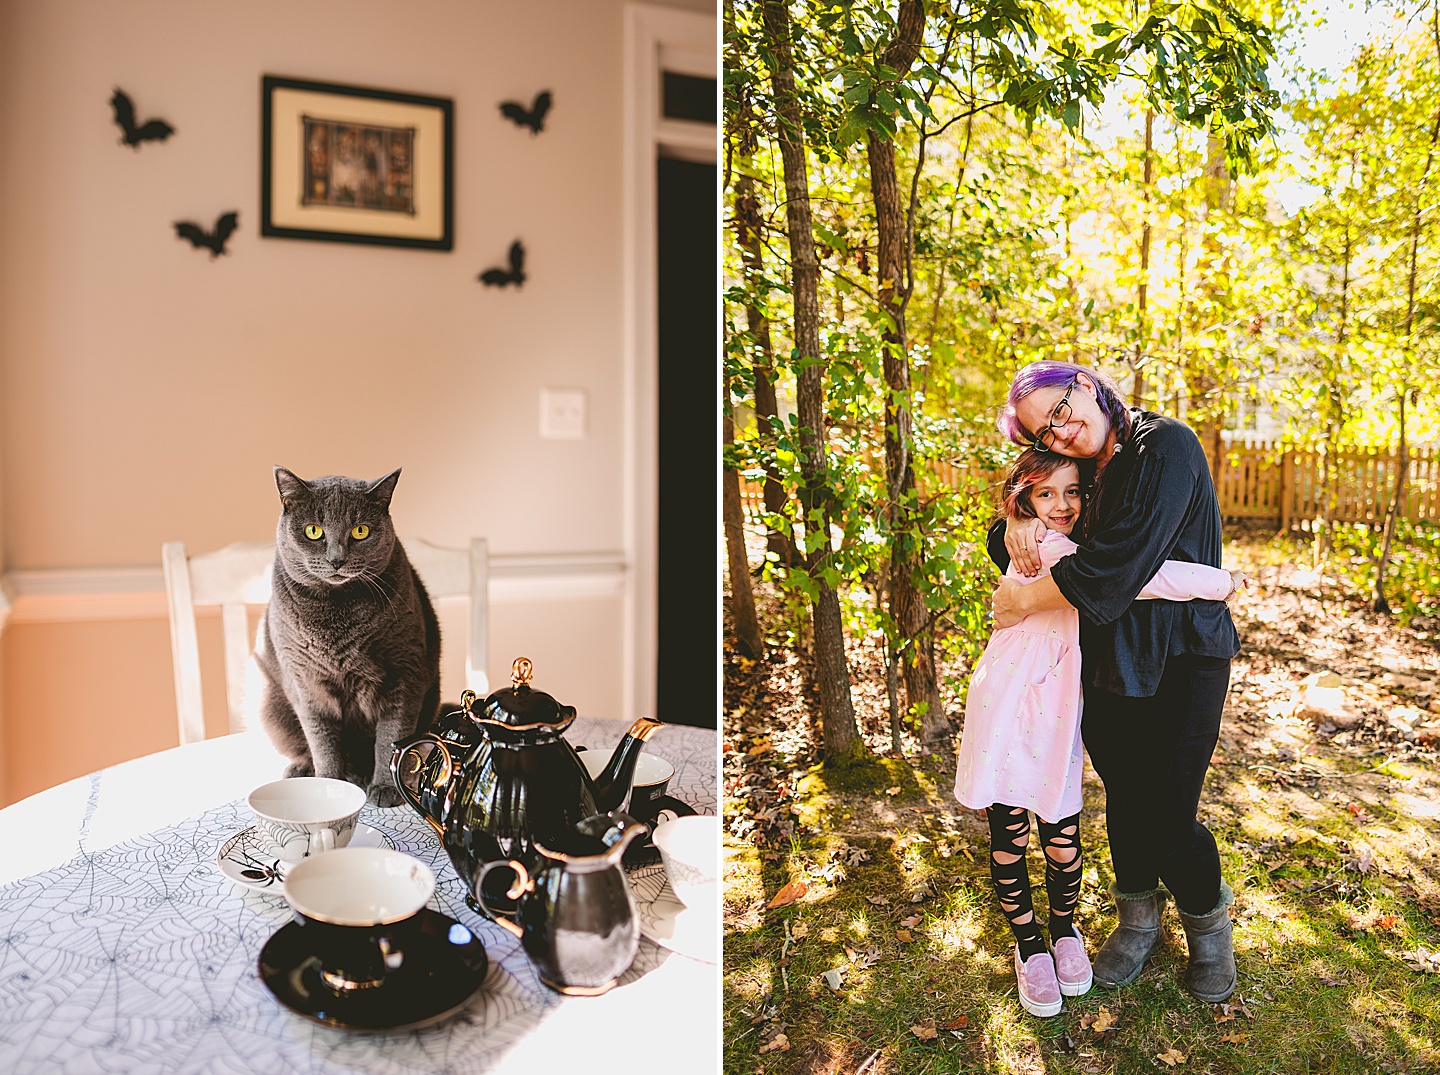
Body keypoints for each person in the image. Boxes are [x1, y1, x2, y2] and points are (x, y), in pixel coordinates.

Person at [987, 360, 1243, 1003]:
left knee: (1169, 809)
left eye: (1063, 404)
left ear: (1091, 386)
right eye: (1045, 430)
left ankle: (1209, 925)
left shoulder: (1167, 446)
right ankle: (1137, 923)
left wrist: (1024, 601)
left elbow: (1114, 567)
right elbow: (1021, 527)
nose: (1063, 427)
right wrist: (1017, 523)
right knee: (1127, 795)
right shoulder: (1078, 472)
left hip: (1185, 654)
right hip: (1101, 655)